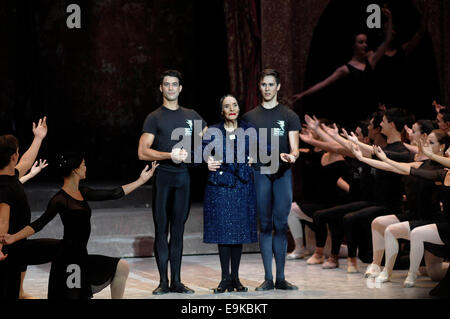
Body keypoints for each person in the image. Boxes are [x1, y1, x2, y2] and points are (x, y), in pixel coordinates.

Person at [1, 153, 158, 299]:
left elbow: (114, 193)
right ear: (75, 170)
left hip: (81, 256)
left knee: (121, 267)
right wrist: (13, 237)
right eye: (83, 165)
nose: (86, 168)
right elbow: (38, 224)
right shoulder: (60, 199)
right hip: (69, 261)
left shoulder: (83, 192)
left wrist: (141, 180)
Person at [138, 70, 207, 295]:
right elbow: (142, 152)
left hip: (183, 180)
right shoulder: (154, 117)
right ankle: (163, 283)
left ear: (180, 88)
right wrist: (170, 155)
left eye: (174, 84)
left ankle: (176, 281)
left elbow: (209, 139)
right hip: (163, 179)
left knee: (178, 231)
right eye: (166, 84)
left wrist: (196, 153)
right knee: (162, 231)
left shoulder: (192, 115)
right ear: (161, 88)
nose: (170, 88)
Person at [353, 130, 449, 280]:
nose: (426, 145)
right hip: (416, 215)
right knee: (379, 223)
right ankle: (378, 267)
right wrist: (363, 158)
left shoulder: (442, 171)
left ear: (442, 147)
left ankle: (389, 272)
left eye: (431, 143)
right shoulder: (423, 164)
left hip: (433, 220)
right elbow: (393, 167)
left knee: (433, 273)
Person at [241, 69, 301, 291]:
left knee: (281, 224)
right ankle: (267, 278)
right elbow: (244, 147)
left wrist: (292, 156)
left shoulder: (289, 116)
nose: (267, 88)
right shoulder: (249, 117)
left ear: (278, 87)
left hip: (283, 173)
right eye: (263, 84)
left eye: (271, 84)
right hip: (261, 173)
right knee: (265, 224)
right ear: (260, 87)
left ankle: (281, 278)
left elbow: (295, 148)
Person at [293, 8, 392, 125]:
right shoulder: (345, 69)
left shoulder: (371, 62)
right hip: (355, 116)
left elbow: (387, 41)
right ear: (354, 46)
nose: (365, 45)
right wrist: (302, 95)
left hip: (371, 114)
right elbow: (324, 83)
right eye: (361, 42)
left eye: (365, 42)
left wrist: (389, 19)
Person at [0, 117, 60, 299]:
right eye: (18, 152)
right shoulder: (4, 186)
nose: (20, 155)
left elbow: (26, 161)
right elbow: (2, 220)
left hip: (16, 245)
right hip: (8, 248)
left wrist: (38, 138)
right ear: (12, 157)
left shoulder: (11, 177)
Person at [203, 94, 257, 293]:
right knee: (223, 233)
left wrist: (255, 158)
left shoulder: (248, 129)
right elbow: (200, 150)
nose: (232, 108)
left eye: (234, 104)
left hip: (242, 186)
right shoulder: (213, 130)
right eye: (227, 106)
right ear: (222, 111)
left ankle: (235, 278)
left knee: (238, 233)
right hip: (220, 187)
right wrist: (206, 160)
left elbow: (263, 149)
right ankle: (224, 278)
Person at [17, 158, 48, 299]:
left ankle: (20, 292)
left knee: (21, 257)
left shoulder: (7, 184)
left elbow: (14, 183)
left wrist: (31, 174)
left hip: (17, 231)